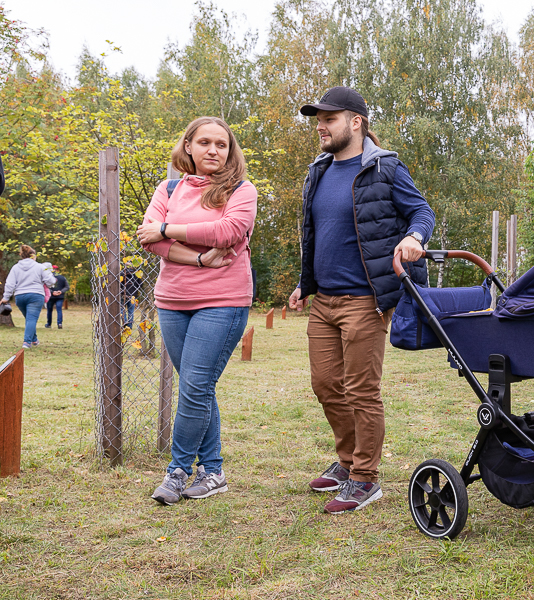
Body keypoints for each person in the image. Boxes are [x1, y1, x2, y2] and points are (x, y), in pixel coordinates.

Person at [288, 86, 435, 514]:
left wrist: (413, 236)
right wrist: (305, 282)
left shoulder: (384, 167)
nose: (320, 125)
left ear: (356, 122)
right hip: (324, 301)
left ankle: (365, 479)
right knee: (326, 386)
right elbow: (318, 234)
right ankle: (348, 461)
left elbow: (421, 212)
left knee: (360, 390)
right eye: (318, 118)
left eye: (329, 118)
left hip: (365, 300)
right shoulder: (318, 170)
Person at [137, 116, 257, 505]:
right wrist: (201, 260)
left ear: (230, 151)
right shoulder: (169, 188)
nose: (213, 150)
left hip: (223, 302)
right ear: (188, 146)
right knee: (197, 387)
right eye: (204, 142)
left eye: (221, 145)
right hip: (172, 301)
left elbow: (228, 232)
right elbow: (146, 238)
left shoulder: (241, 189)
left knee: (194, 387)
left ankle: (176, 471)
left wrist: (168, 229)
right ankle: (214, 471)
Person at [1, 245, 57, 349]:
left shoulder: (15, 267)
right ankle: (27, 342)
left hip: (20, 296)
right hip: (36, 295)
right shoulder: (40, 267)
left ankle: (34, 339)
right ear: (33, 256)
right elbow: (50, 281)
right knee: (31, 319)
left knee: (29, 318)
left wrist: (6, 297)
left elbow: (10, 284)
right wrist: (51, 281)